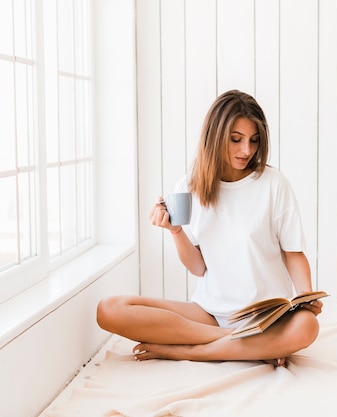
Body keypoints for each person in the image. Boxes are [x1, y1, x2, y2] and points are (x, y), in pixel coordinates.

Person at [97, 90, 323, 367]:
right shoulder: (189, 187)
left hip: (268, 318)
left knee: (307, 326)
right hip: (210, 314)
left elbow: (293, 252)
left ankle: (191, 351)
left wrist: (305, 297)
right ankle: (242, 342)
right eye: (236, 140)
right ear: (215, 137)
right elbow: (198, 268)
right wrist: (175, 230)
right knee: (109, 310)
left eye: (254, 141)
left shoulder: (273, 184)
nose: (246, 151)